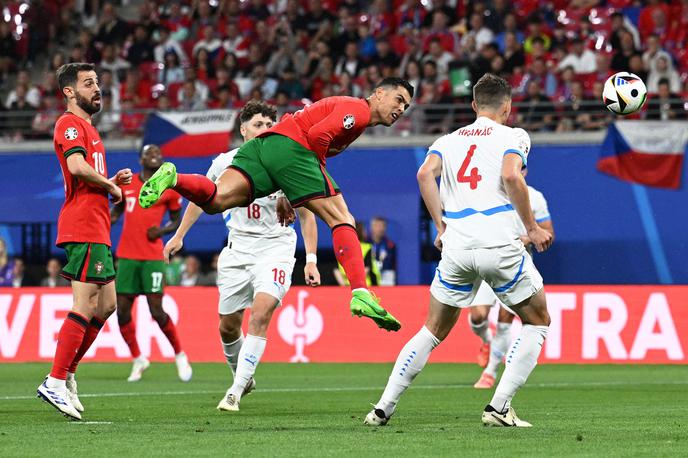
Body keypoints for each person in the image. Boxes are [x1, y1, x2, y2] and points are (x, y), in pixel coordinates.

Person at [139, 78, 415, 332]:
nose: (401, 108)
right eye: (398, 99)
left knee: (216, 200)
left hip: (264, 146)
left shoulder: (350, 109)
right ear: (379, 93)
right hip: (292, 149)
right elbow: (319, 135)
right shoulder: (359, 111)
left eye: (406, 105)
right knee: (343, 219)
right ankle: (360, 293)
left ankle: (174, 177)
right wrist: (301, 183)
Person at [364, 74, 552, 428]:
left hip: (458, 246)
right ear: (508, 108)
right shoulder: (514, 136)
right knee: (538, 321)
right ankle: (498, 407)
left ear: (473, 106)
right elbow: (513, 176)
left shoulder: (447, 140)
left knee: (432, 329)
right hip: (498, 243)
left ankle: (382, 407)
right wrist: (532, 228)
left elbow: (424, 175)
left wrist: (441, 226)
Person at [164, 100, 320, 412]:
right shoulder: (226, 162)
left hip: (275, 249)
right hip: (237, 250)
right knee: (228, 327)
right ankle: (243, 377)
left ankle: (234, 392)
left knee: (261, 312)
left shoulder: (288, 162)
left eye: (269, 125)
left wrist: (312, 259)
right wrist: (179, 235)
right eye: (259, 125)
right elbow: (201, 197)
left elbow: (307, 215)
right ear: (244, 129)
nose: (265, 130)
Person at [37, 62, 133, 421]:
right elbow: (76, 168)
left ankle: (68, 373)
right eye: (89, 83)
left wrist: (111, 179)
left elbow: (87, 173)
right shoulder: (69, 124)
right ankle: (55, 380)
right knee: (84, 302)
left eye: (98, 83)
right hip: (82, 225)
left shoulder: (90, 129)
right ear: (69, 92)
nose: (97, 89)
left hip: (97, 226)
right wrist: (109, 185)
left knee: (106, 305)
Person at [469, 154, 554, 389]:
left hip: (517, 263)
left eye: (522, 169)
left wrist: (527, 238)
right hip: (488, 259)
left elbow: (548, 232)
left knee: (505, 317)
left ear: (524, 171)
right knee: (478, 317)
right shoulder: (488, 194)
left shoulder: (535, 198)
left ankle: (490, 372)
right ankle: (486, 340)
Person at [110, 144, 192, 383]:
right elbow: (117, 212)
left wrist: (162, 230)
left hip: (152, 257)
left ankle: (179, 354)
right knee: (122, 311)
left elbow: (176, 220)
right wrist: (105, 223)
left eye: (158, 153)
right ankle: (138, 358)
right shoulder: (128, 184)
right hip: (126, 255)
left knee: (156, 310)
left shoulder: (167, 187)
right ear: (141, 159)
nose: (155, 156)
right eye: (150, 153)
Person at [334, 221, 380, 287]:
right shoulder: (367, 247)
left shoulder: (341, 247)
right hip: (363, 286)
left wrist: (343, 286)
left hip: (346, 285)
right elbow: (366, 269)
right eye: (364, 230)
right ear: (360, 232)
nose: (365, 232)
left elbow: (336, 270)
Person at [367, 216, 397, 286]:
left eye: (383, 226)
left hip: (385, 276)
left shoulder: (390, 245)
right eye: (377, 226)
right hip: (369, 275)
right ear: (372, 227)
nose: (381, 229)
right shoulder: (365, 243)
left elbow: (392, 266)